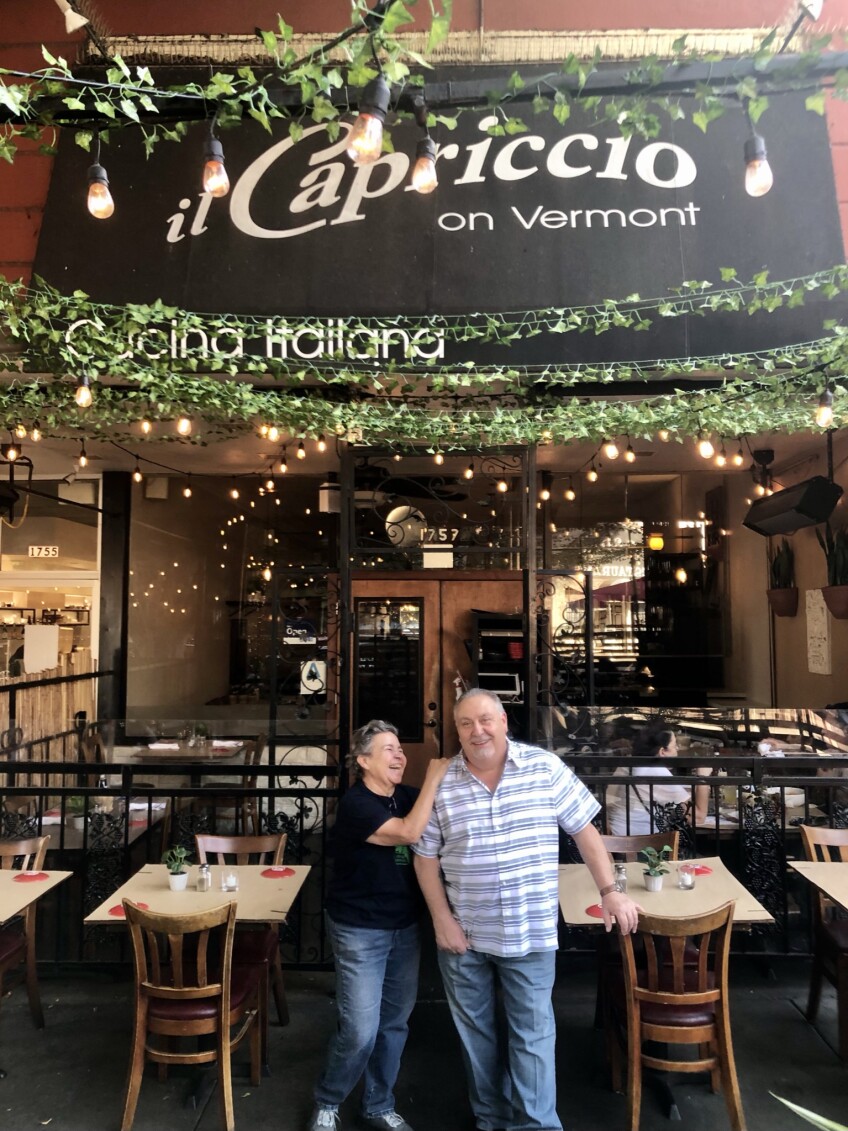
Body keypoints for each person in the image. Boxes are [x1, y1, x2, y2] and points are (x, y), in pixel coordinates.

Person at [413, 689, 640, 1131]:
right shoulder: (442, 783)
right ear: (456, 731)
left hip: (529, 930)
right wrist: (441, 920)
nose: (477, 731)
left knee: (532, 1037)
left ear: (503, 722)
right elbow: (424, 857)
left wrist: (611, 890)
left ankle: (535, 1125)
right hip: (464, 933)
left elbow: (584, 831)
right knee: (476, 1036)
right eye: (465, 724)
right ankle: (491, 1119)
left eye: (485, 720)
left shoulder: (544, 768)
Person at [308, 720, 450, 1131]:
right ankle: (328, 1099)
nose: (399, 755)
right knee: (359, 1030)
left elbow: (435, 811)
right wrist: (434, 776)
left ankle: (377, 1104)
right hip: (359, 930)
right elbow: (409, 832)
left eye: (400, 748)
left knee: (393, 1024)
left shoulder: (404, 796)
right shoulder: (357, 805)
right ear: (363, 760)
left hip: (404, 928)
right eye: (388, 748)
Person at [606, 726, 712, 836]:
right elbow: (698, 817)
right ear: (662, 751)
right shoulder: (657, 772)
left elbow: (609, 801)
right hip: (641, 845)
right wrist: (703, 777)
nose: (678, 748)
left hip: (616, 839)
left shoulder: (627, 764)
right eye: (674, 745)